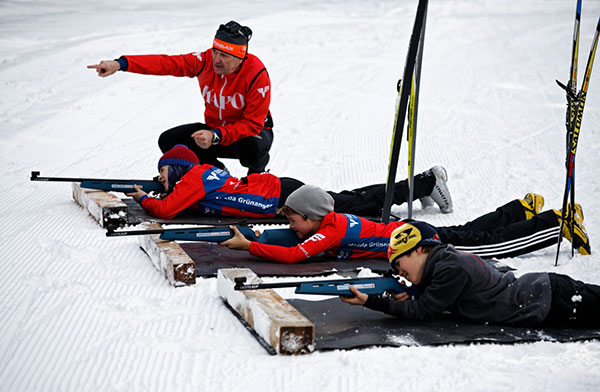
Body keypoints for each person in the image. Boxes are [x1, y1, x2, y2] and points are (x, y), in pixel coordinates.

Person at [221, 183, 590, 262]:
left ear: (313, 217)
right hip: (414, 232)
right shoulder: (326, 220)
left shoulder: (329, 230)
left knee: (487, 247)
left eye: (295, 221)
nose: (293, 227)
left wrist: (248, 245)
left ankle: (556, 225)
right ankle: (520, 210)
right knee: (473, 232)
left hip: (418, 243)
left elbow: (294, 256)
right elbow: (294, 238)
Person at [88, 21, 273, 175]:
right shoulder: (204, 61)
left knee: (252, 149)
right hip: (215, 132)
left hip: (248, 135)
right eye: (215, 51)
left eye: (224, 55)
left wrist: (216, 135)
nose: (216, 59)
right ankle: (218, 174)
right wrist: (120, 64)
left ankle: (258, 180)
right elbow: (166, 63)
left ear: (239, 58)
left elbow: (253, 124)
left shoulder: (256, 73)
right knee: (169, 141)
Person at [340, 221, 600, 328]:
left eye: (400, 263)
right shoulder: (444, 263)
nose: (400, 272)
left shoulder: (449, 269)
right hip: (545, 295)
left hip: (549, 299)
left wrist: (370, 301)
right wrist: (408, 293)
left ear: (419, 249)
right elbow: (432, 297)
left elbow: (423, 312)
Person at [125, 144, 453, 219]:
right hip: (278, 190)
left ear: (177, 166)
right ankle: (418, 186)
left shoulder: (194, 177)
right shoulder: (198, 176)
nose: (158, 178)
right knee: (351, 202)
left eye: (162, 170)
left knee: (355, 204)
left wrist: (143, 197)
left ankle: (426, 183)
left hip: (283, 195)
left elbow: (166, 210)